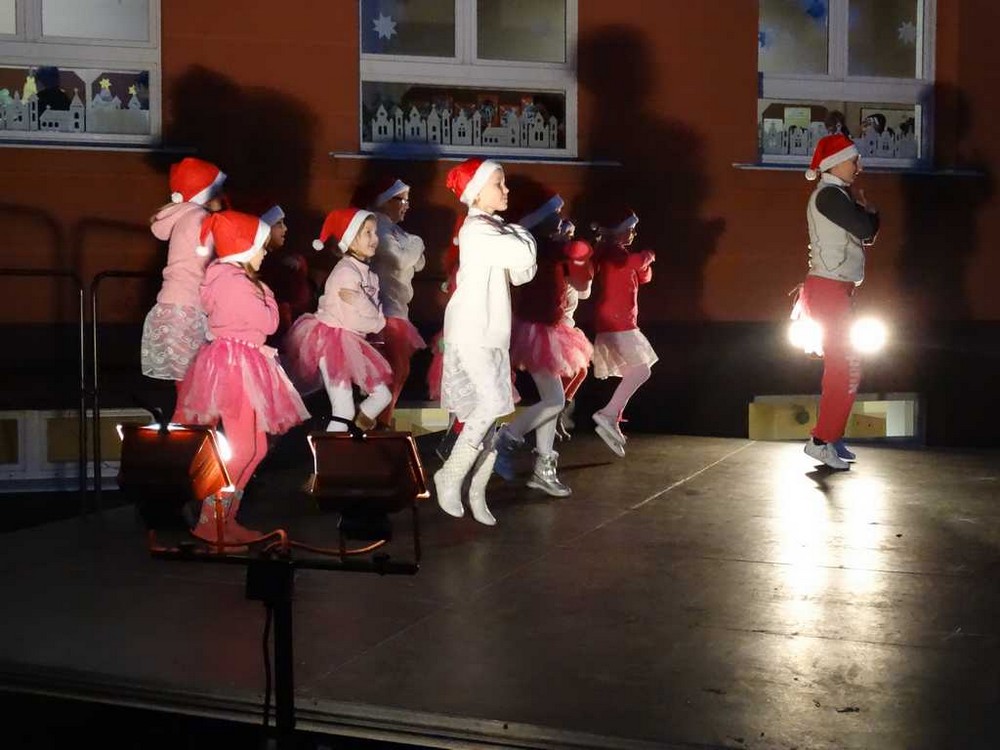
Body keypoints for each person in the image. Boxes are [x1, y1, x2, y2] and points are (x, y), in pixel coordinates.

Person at [174, 210, 310, 546]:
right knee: (244, 447)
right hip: (237, 366)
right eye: (259, 246)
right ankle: (211, 521)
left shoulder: (231, 279)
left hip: (243, 362)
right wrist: (268, 296)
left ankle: (226, 518)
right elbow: (269, 324)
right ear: (243, 247)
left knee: (256, 447)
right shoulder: (235, 282)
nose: (264, 252)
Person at [435, 159, 537, 525]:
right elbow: (524, 255)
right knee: (491, 404)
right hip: (472, 330)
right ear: (476, 192)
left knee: (494, 414)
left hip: (493, 333)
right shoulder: (477, 230)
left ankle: (476, 490)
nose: (506, 190)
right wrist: (523, 235)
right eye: (499, 183)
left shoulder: (495, 230)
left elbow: (523, 273)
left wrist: (517, 235)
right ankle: (450, 475)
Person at [493, 184, 594, 497]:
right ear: (539, 219)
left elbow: (578, 267)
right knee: (555, 401)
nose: (561, 219)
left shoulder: (547, 245)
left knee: (552, 400)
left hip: (550, 328)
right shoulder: (538, 247)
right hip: (537, 331)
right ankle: (507, 438)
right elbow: (574, 252)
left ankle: (543, 467)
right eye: (555, 214)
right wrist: (569, 242)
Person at [799, 133, 879, 470]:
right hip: (829, 291)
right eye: (854, 160)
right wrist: (870, 213)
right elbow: (866, 229)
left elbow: (866, 233)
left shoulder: (837, 195)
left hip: (836, 290)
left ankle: (831, 436)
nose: (859, 166)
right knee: (845, 367)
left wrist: (868, 217)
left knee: (846, 367)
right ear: (835, 163)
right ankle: (821, 440)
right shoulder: (830, 196)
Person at [283, 208, 393, 433]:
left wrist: (368, 309)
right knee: (343, 411)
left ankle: (356, 430)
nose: (375, 238)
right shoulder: (346, 273)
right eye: (368, 233)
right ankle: (329, 450)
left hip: (352, 341)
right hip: (332, 342)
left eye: (375, 232)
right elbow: (355, 319)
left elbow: (374, 311)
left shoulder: (369, 274)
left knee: (382, 395)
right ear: (350, 239)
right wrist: (377, 319)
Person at [140, 157, 227, 412]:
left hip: (173, 307)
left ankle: (181, 432)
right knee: (194, 391)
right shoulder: (200, 219)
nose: (223, 195)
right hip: (188, 309)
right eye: (217, 189)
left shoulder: (185, 217)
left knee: (186, 388)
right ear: (206, 193)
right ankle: (186, 434)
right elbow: (216, 260)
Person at [589, 207, 658, 457]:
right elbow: (636, 263)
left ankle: (613, 416)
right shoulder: (612, 253)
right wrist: (648, 255)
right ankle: (608, 414)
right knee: (641, 370)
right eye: (631, 229)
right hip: (617, 322)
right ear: (618, 231)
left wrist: (644, 263)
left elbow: (643, 276)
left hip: (618, 321)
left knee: (633, 371)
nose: (634, 233)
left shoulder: (616, 252)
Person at [367, 177, 427, 428]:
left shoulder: (396, 230)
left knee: (398, 370)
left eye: (407, 200)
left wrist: (412, 247)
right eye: (401, 200)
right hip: (385, 310)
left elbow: (420, 263)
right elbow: (401, 260)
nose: (406, 206)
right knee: (393, 370)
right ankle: (375, 422)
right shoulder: (379, 227)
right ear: (385, 201)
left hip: (398, 309)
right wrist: (417, 243)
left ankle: (380, 421)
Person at [254, 201, 315, 343]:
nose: (285, 228)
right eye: (279, 224)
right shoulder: (264, 266)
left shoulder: (285, 261)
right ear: (264, 228)